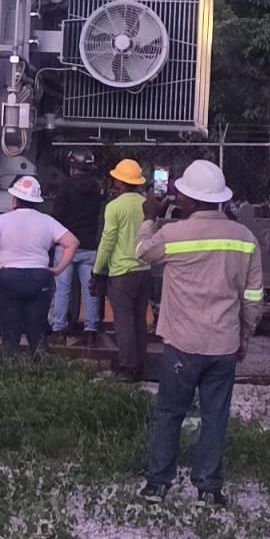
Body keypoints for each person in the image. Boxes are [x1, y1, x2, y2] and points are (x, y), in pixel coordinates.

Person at [136, 160, 265, 507]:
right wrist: (245, 337)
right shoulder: (245, 238)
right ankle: (208, 488)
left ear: (190, 200)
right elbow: (253, 298)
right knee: (215, 417)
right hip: (224, 344)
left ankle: (158, 484)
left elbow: (140, 253)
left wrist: (150, 216)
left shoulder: (173, 234)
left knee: (170, 413)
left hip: (182, 343)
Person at [0, 176, 80, 357]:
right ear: (36, 202)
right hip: (39, 278)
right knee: (37, 328)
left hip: (8, 277)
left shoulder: (2, 220)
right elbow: (72, 242)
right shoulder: (47, 221)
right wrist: (58, 269)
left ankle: (11, 368)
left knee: (10, 329)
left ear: (15, 200)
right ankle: (41, 370)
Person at [90, 159, 151, 382]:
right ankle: (140, 366)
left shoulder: (114, 207)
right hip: (144, 270)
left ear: (122, 183)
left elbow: (108, 241)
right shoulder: (146, 204)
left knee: (123, 321)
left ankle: (127, 368)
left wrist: (97, 270)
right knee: (138, 320)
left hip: (122, 273)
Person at [49, 150, 105, 338]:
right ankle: (90, 329)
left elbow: (57, 217)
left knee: (62, 289)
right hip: (89, 246)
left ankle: (59, 328)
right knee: (90, 290)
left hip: (66, 246)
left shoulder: (65, 187)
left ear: (72, 168)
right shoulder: (97, 189)